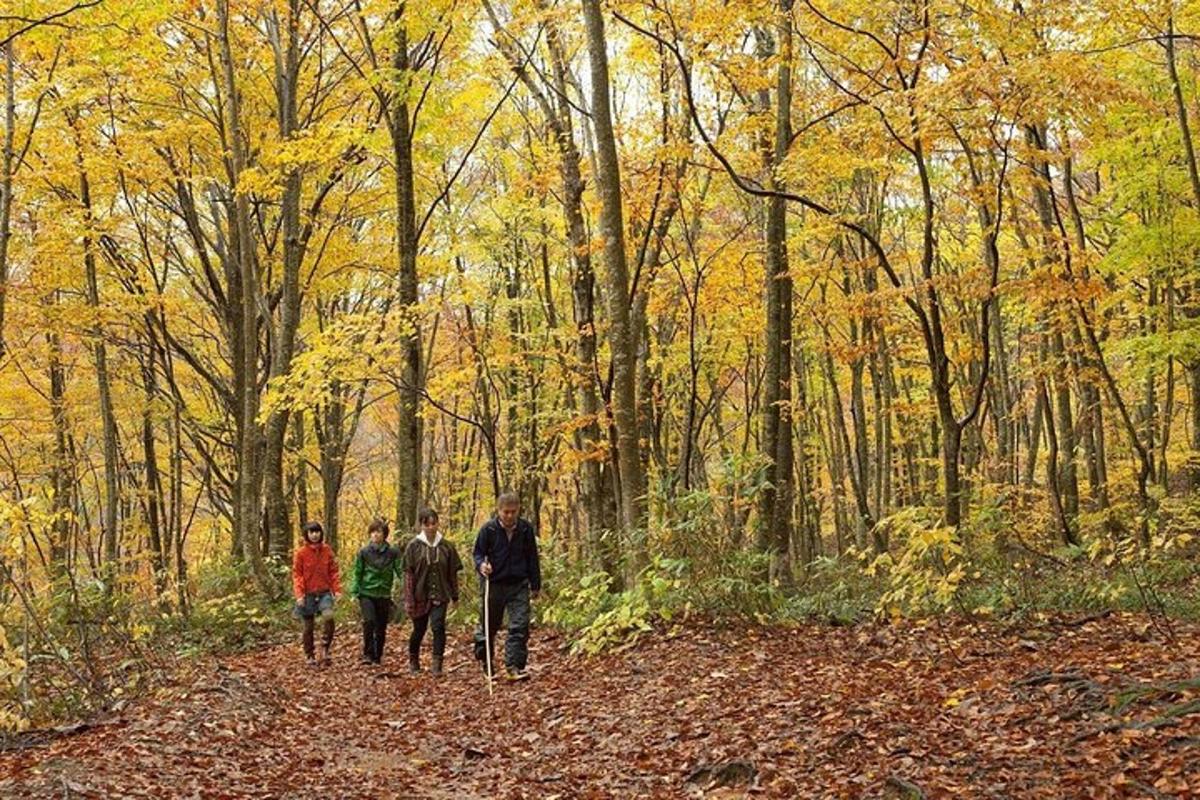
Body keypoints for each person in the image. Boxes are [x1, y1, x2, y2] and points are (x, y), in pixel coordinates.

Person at [472, 492, 541, 681]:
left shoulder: (525, 529)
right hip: (494, 584)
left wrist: (536, 584)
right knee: (489, 626)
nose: (509, 516)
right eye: (506, 512)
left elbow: (532, 558)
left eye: (513, 512)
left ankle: (514, 666)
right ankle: (487, 663)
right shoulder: (488, 530)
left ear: (518, 510)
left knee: (519, 625)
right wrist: (481, 565)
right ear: (498, 511)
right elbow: (477, 553)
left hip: (518, 583)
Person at [403, 508, 463, 676]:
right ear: (421, 525)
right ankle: (414, 660)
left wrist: (455, 595)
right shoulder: (413, 547)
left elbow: (452, 573)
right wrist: (409, 599)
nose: (431, 527)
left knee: (438, 626)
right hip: (420, 594)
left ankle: (437, 665)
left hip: (441, 593)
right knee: (419, 630)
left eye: (433, 523)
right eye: (427, 524)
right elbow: (408, 575)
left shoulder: (446, 546)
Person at [350, 518, 402, 666]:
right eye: (372, 532)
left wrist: (407, 587)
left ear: (384, 534)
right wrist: (354, 592)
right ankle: (367, 653)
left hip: (384, 594)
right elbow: (358, 572)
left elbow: (400, 571)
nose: (375, 535)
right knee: (369, 621)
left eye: (378, 532)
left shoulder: (393, 552)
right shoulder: (364, 552)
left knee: (381, 626)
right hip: (366, 593)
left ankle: (377, 654)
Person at [292, 521, 341, 667]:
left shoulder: (327, 550)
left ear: (321, 533)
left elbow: (333, 572)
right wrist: (299, 595)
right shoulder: (301, 553)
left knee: (329, 617)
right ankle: (309, 654)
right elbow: (297, 575)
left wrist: (337, 590)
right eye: (311, 532)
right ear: (306, 535)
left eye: (317, 532)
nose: (314, 535)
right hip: (308, 594)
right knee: (308, 627)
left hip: (324, 592)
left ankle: (325, 648)